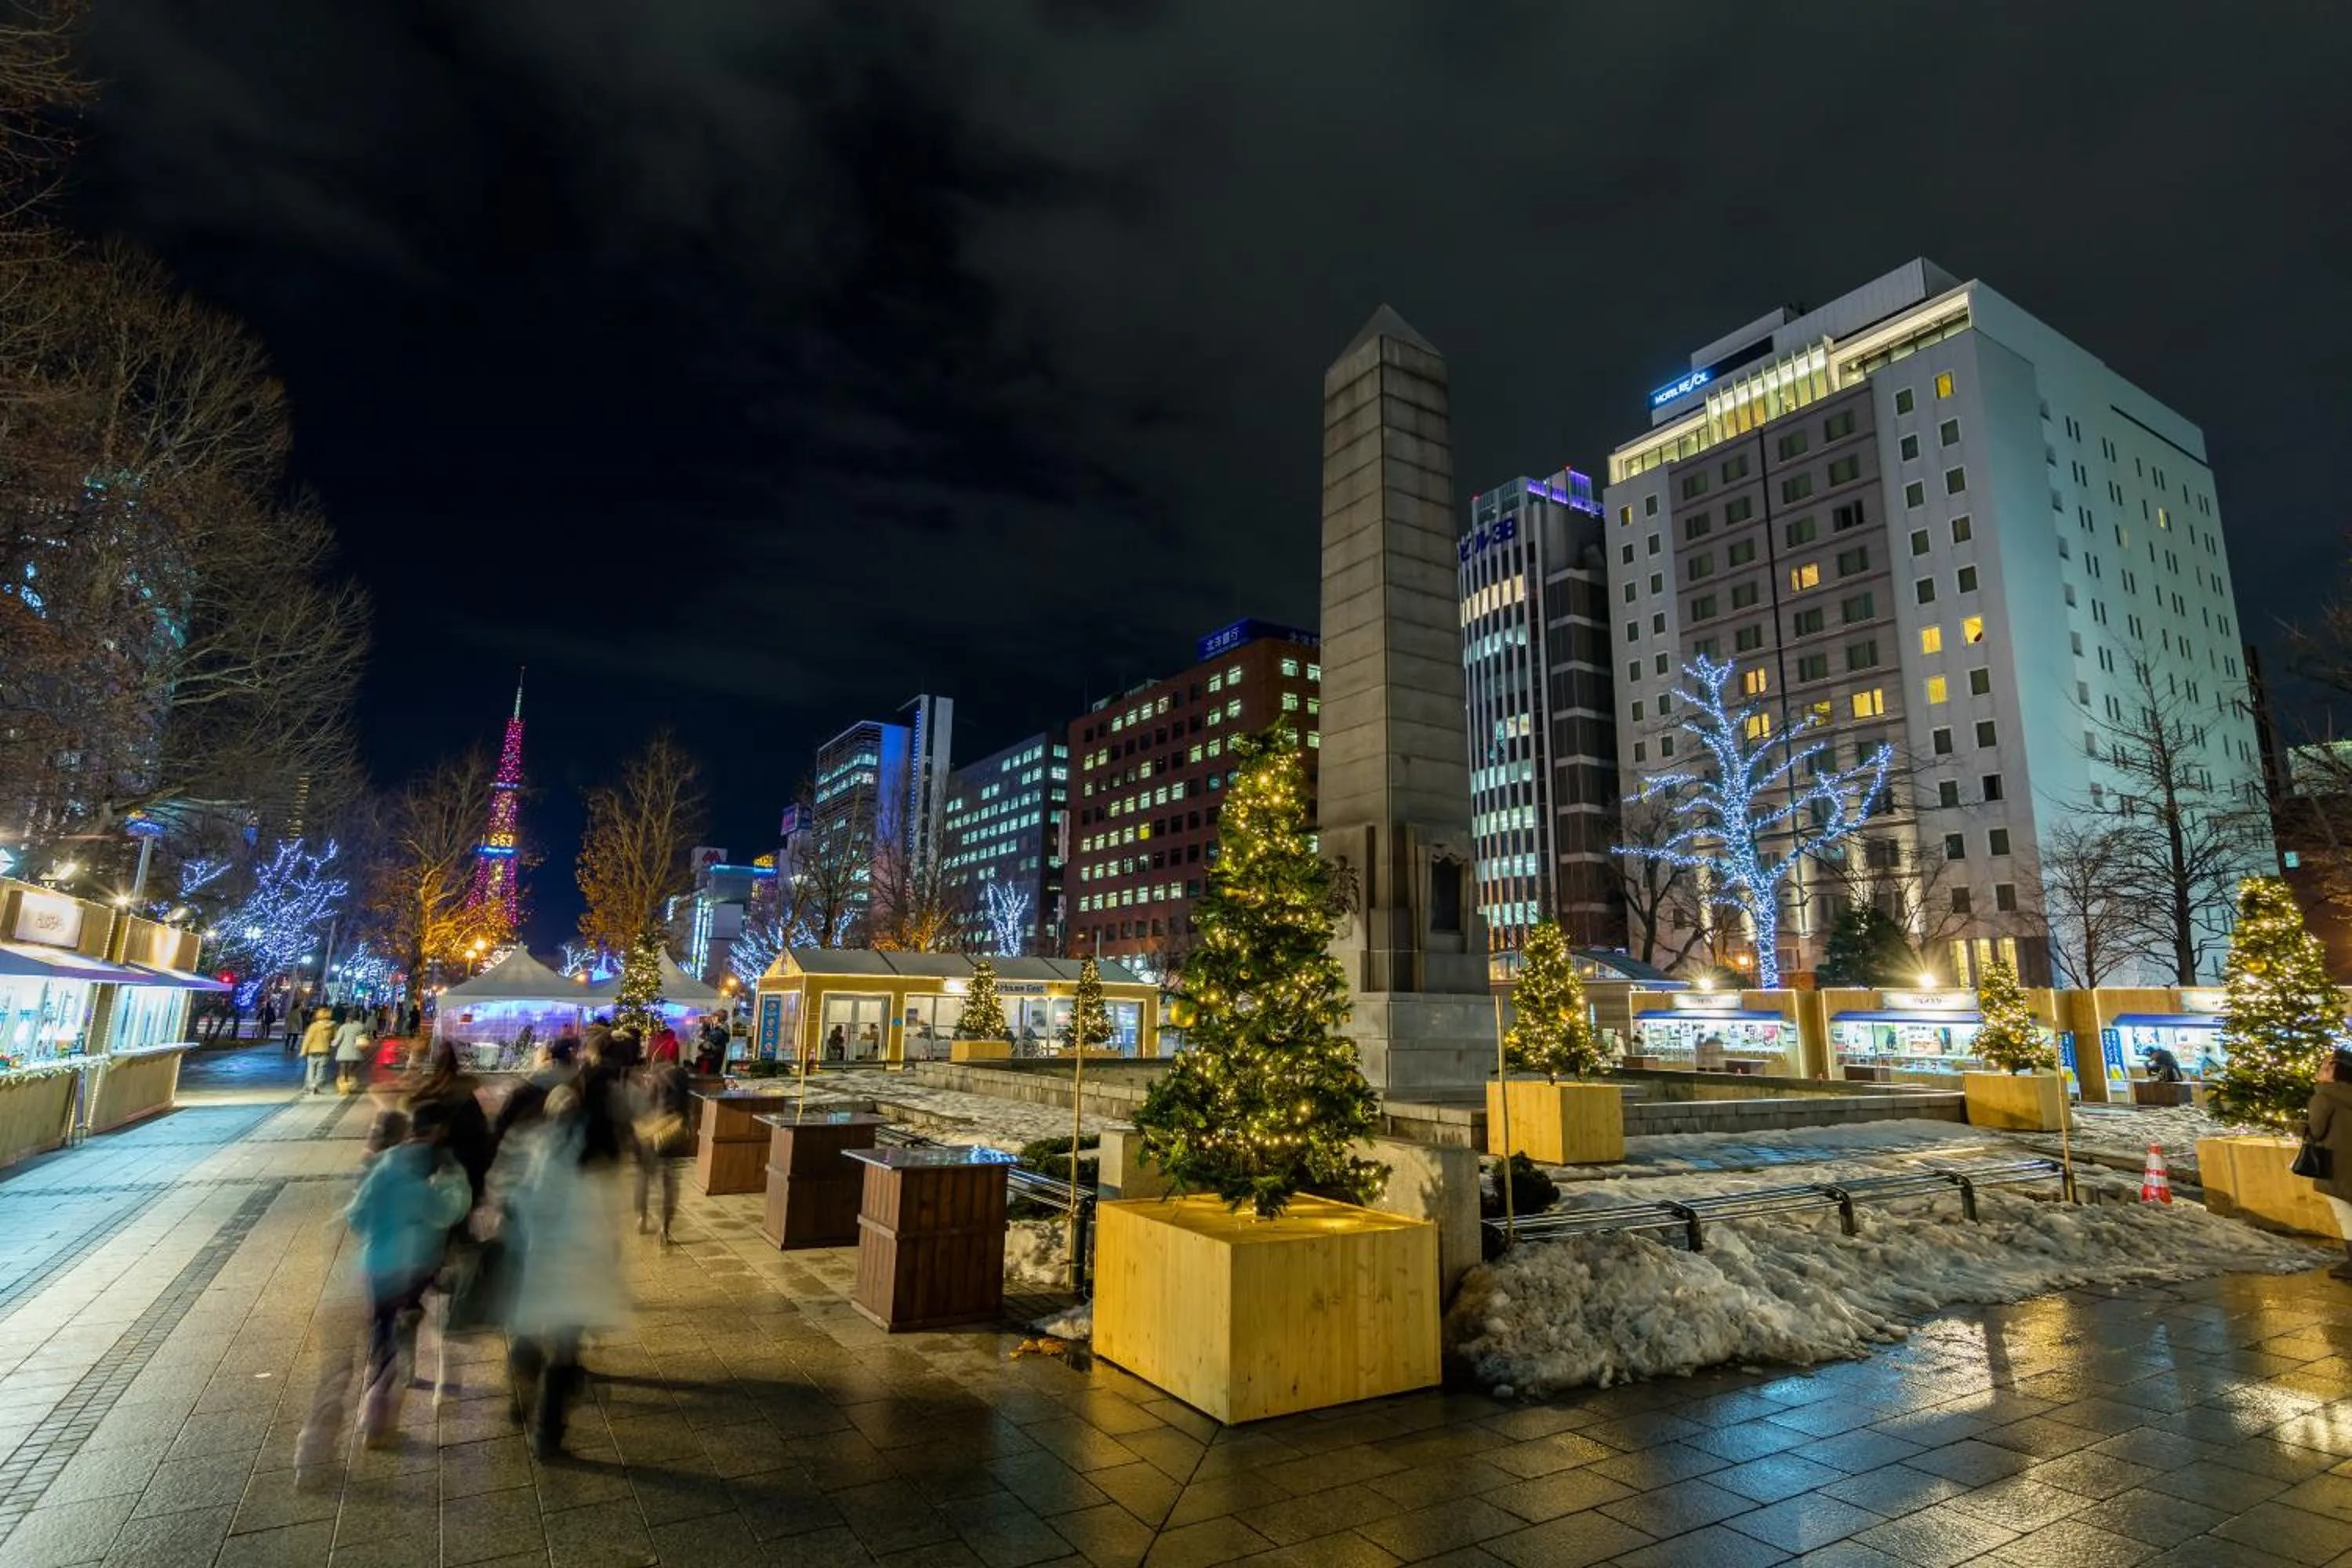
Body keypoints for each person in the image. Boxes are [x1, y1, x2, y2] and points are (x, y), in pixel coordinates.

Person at [494, 1087, 630, 1456]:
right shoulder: (591, 1158)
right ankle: (547, 1433)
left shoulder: (534, 1144)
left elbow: (515, 1197)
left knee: (529, 1330)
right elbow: (603, 1218)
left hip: (536, 1259)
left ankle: (522, 1386)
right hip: (577, 1266)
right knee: (565, 1349)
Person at [340, 1098, 472, 1443]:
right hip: (413, 1265)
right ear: (439, 1131)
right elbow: (447, 1212)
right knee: (401, 1329)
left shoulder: (384, 1163)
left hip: (375, 1265)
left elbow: (355, 1215)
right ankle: (377, 1417)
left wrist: (379, 1230)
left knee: (382, 1335)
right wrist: (455, 1181)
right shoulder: (431, 1171)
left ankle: (376, 1407)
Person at [629, 1053, 691, 1242]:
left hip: (654, 1132)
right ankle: (665, 1227)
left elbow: (647, 1105)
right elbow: (687, 1108)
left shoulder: (657, 1079)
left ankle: (642, 1217)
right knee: (668, 1182)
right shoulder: (682, 1079)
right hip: (673, 1134)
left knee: (644, 1177)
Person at [2305, 1049, 2352, 1282]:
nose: (2319, 1070)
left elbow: (2316, 1131)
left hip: (2338, 1167)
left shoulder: (2324, 1096)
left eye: (2325, 1067)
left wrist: (2296, 1127)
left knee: (2346, 1216)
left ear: (2336, 1073)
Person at [299, 1008, 336, 1095]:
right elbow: (335, 1039)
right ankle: (315, 1085)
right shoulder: (332, 1027)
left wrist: (303, 1051)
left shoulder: (314, 1026)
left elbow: (308, 1039)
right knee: (321, 1071)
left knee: (311, 1070)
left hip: (312, 1051)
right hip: (325, 1051)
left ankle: (311, 1086)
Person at [332, 1011, 370, 1094]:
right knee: (350, 1072)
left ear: (348, 1018)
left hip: (343, 1053)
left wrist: (332, 1044)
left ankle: (343, 1090)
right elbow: (365, 1038)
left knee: (342, 1072)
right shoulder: (361, 1027)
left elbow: (337, 1040)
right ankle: (350, 1087)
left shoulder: (344, 1027)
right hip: (356, 1053)